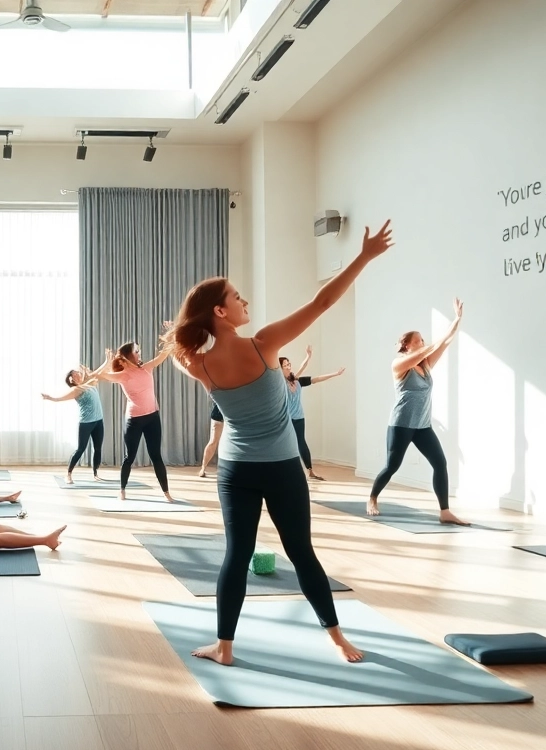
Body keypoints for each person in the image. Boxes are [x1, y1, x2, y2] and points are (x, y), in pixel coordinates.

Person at [167, 220, 398, 667]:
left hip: (235, 472)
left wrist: (179, 345)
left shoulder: (201, 365)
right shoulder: (263, 344)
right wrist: (365, 256)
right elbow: (323, 301)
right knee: (301, 553)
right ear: (219, 311)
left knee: (236, 556)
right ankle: (337, 639)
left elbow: (181, 360)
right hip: (281, 467)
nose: (244, 300)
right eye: (236, 297)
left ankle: (225, 648)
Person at [366, 300, 468, 525]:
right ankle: (372, 498)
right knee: (392, 466)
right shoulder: (399, 364)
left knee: (440, 463)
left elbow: (443, 344)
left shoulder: (426, 364)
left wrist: (456, 320)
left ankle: (445, 511)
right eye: (418, 340)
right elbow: (433, 346)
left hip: (422, 425)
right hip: (401, 424)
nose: (423, 342)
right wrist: (437, 339)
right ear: (407, 345)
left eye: (423, 340)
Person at [90, 331, 176, 502]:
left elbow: (164, 353)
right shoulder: (122, 375)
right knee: (130, 457)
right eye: (136, 351)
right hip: (134, 421)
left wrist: (172, 332)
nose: (139, 354)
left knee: (156, 455)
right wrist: (107, 362)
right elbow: (96, 376)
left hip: (153, 417)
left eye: (139, 351)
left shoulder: (147, 368)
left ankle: (167, 493)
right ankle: (122, 489)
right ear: (127, 356)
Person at [280, 346, 346, 481]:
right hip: (286, 420)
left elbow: (316, 378)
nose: (288, 367)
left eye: (288, 364)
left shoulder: (297, 381)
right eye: (284, 365)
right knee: (284, 444)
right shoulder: (279, 384)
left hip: (299, 418)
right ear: (279, 369)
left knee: (301, 443)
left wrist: (335, 374)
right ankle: (282, 473)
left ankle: (310, 471)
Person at [42, 366, 105, 483]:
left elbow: (98, 372)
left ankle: (96, 473)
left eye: (78, 373)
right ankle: (69, 474)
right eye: (74, 376)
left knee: (98, 448)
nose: (78, 375)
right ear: (72, 381)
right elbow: (60, 399)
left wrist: (107, 360)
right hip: (86, 423)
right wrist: (50, 398)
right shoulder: (76, 390)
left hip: (98, 421)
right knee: (81, 449)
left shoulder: (89, 383)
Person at [197, 402, 224, 478]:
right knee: (213, 441)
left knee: (214, 442)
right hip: (220, 412)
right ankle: (203, 468)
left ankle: (203, 468)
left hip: (233, 413)